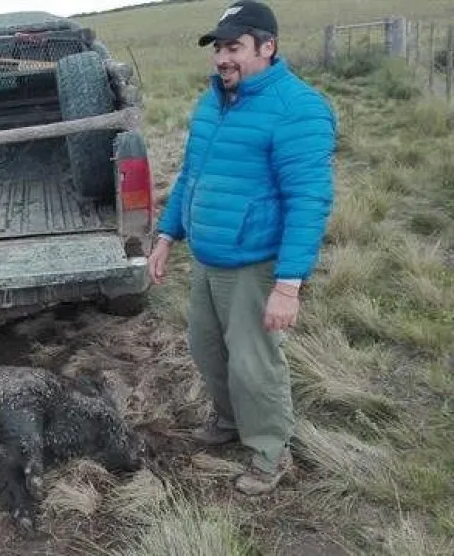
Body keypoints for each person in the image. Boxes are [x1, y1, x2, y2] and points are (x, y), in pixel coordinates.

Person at [147, 0, 336, 495]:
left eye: (234, 48)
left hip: (255, 264)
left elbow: (308, 201)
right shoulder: (213, 101)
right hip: (208, 258)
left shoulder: (299, 109)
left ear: (267, 47)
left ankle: (271, 450)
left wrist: (288, 286)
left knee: (254, 365)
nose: (222, 59)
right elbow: (190, 176)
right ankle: (230, 419)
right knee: (206, 349)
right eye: (218, 49)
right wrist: (166, 237)